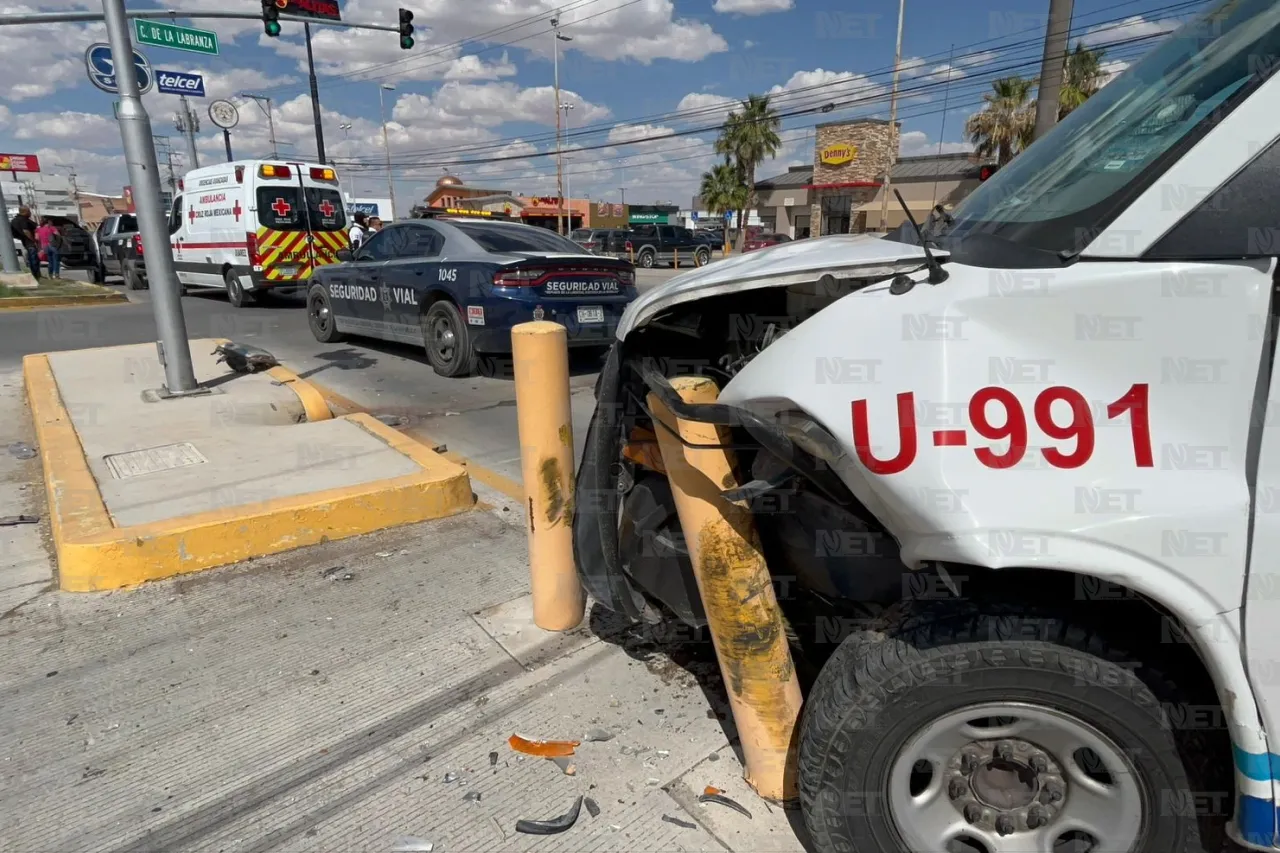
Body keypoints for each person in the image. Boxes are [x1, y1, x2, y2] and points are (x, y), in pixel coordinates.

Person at [10, 206, 38, 278]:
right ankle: (36, 275)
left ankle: (35, 274)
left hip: (24, 242)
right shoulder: (23, 220)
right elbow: (26, 231)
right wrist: (33, 240)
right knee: (34, 260)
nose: (30, 213)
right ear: (25, 212)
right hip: (29, 242)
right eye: (29, 211)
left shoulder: (14, 220)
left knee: (31, 259)